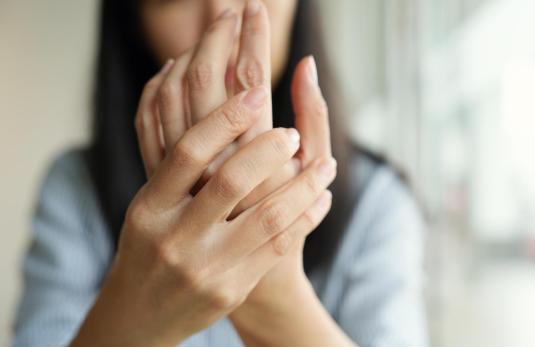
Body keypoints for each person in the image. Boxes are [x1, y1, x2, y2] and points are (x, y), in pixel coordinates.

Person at [12, 0, 427, 346]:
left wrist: (274, 294)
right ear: (133, 22)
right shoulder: (76, 188)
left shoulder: (378, 200)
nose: (220, 14)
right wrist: (130, 314)